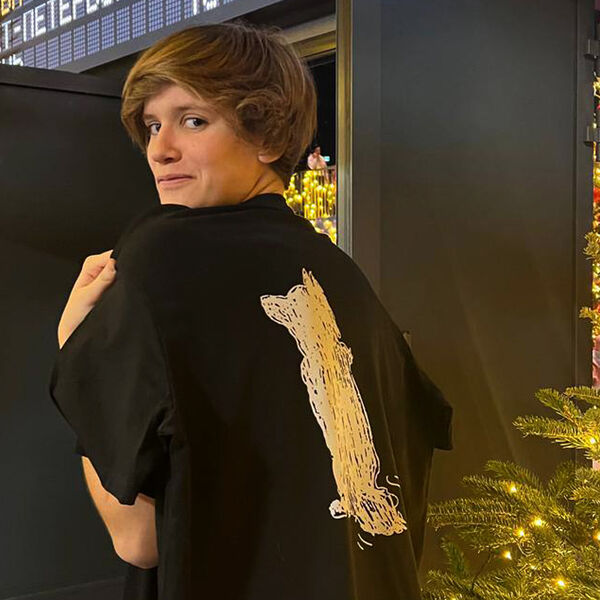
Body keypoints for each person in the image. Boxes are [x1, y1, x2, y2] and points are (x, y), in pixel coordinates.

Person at [49, 20, 452, 600]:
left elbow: (139, 540)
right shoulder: (344, 276)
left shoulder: (163, 257)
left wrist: (76, 346)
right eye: (153, 125)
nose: (160, 149)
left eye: (193, 120)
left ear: (268, 136)